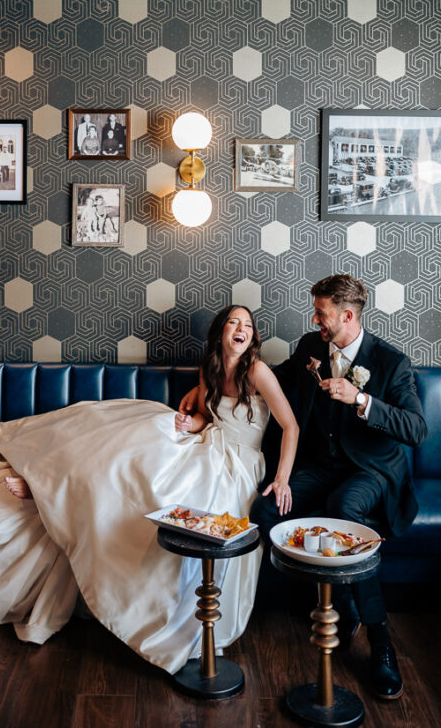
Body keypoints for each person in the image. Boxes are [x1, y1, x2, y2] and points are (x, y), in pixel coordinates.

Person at [0, 305, 298, 674]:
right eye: (233, 323)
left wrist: (280, 477)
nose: (240, 329)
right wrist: (191, 422)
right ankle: (50, 476)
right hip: (206, 445)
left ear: (253, 337)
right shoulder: (209, 371)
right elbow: (200, 416)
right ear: (220, 333)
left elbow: (290, 426)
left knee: (155, 462)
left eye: (247, 325)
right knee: (141, 427)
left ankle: (51, 485)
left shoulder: (257, 371)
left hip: (237, 464)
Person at [181, 274, 427, 701]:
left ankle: (381, 642)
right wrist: (206, 384)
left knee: (345, 511)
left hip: (369, 470)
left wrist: (361, 400)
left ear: (347, 316)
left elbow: (417, 429)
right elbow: (266, 379)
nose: (314, 320)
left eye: (321, 313)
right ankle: (340, 605)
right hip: (320, 465)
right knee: (263, 510)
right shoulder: (311, 347)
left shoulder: (391, 362)